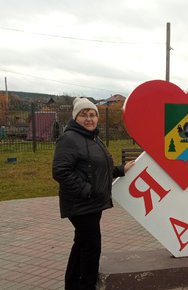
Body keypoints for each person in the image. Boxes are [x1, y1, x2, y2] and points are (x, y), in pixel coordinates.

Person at [52, 97, 135, 290]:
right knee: (92, 247)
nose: (89, 119)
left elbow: (97, 170)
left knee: (81, 244)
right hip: (81, 204)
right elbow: (60, 172)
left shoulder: (92, 138)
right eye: (84, 115)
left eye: (92, 115)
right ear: (76, 117)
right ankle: (86, 285)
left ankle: (72, 284)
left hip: (90, 203)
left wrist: (121, 169)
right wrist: (87, 191)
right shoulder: (69, 138)